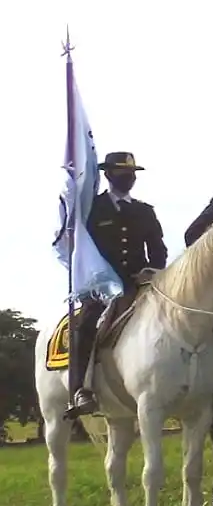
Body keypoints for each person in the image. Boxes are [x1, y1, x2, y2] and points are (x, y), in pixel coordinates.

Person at [63, 152, 168, 417]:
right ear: (108, 174)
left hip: (139, 284)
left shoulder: (145, 211)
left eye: (132, 173)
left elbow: (158, 250)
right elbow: (82, 248)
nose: (128, 178)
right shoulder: (92, 209)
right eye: (122, 173)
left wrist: (152, 270)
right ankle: (79, 390)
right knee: (86, 323)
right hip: (101, 285)